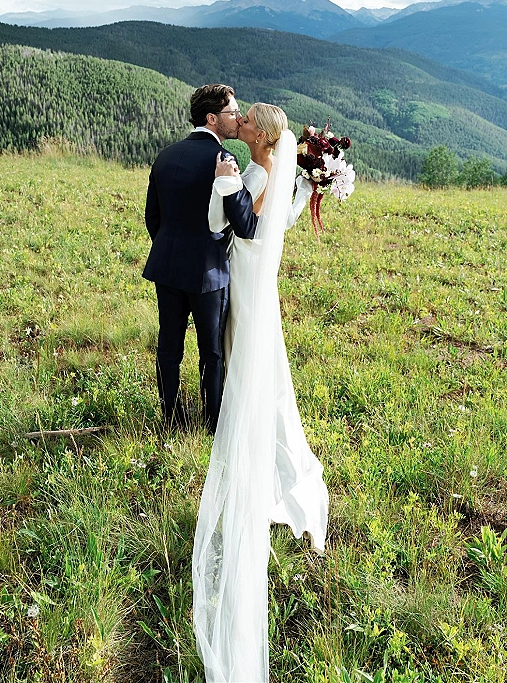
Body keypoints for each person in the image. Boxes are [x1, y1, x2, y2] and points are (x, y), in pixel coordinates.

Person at [193, 103, 329, 683]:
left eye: (248, 120)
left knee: (252, 374)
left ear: (265, 136)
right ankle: (287, 471)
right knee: (267, 379)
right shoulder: (278, 178)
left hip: (248, 286)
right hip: (259, 285)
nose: (240, 123)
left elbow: (229, 227)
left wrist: (224, 189)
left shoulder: (256, 175)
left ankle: (268, 471)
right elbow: (283, 218)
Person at [142, 84, 257, 433]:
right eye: (232, 113)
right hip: (209, 273)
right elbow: (241, 224)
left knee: (169, 346)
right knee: (211, 352)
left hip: (167, 266)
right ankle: (211, 424)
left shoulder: (165, 155)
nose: (238, 118)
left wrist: (171, 248)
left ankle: (171, 418)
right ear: (212, 118)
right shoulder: (224, 161)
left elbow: (153, 216)